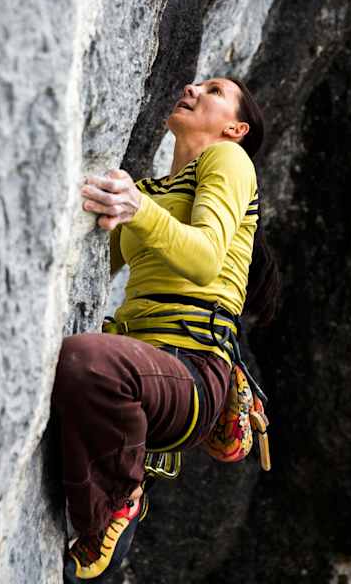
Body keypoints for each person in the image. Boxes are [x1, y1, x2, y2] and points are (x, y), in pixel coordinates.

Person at [55, 77, 280, 582]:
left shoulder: (229, 159)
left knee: (85, 360)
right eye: (199, 83)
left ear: (235, 128)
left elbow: (205, 259)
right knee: (76, 360)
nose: (194, 88)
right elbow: (92, 269)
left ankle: (117, 502)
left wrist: (138, 209)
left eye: (215, 91)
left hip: (194, 372)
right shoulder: (152, 190)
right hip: (147, 367)